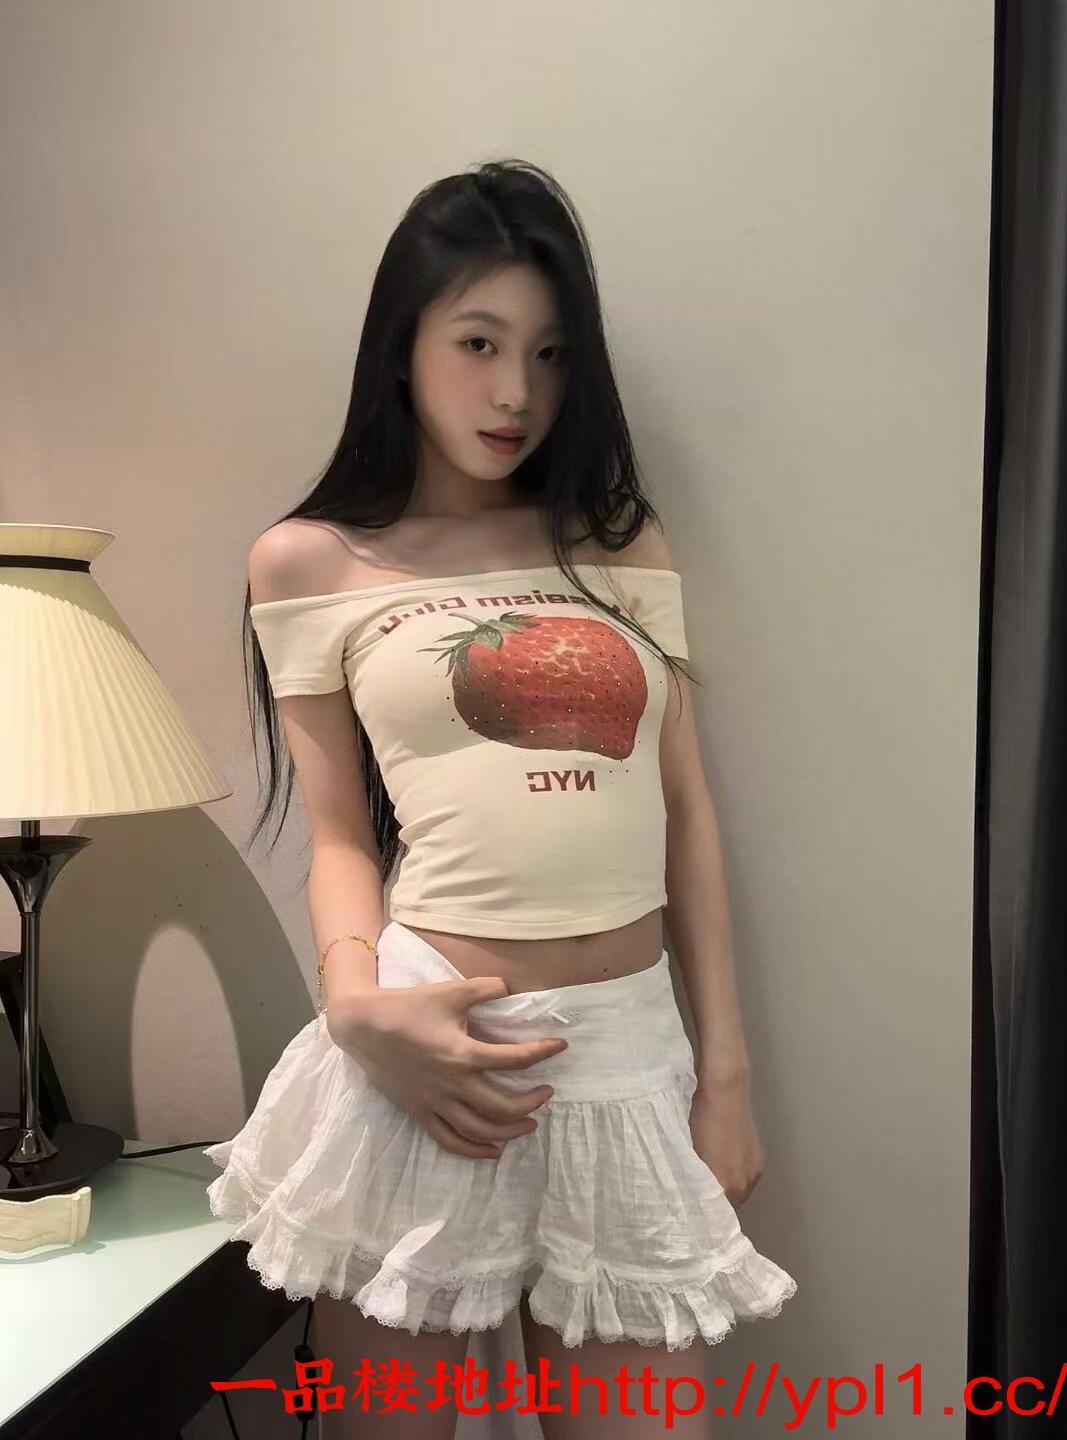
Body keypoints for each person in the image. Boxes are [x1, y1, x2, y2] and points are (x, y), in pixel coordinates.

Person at [205, 158, 796, 1439]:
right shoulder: (308, 562)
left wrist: (726, 1076)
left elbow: (686, 813)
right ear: (402, 345)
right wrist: (357, 1007)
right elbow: (339, 834)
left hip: (626, 1058)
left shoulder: (619, 542)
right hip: (428, 1051)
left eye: (548, 352)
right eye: (478, 342)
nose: (516, 391)